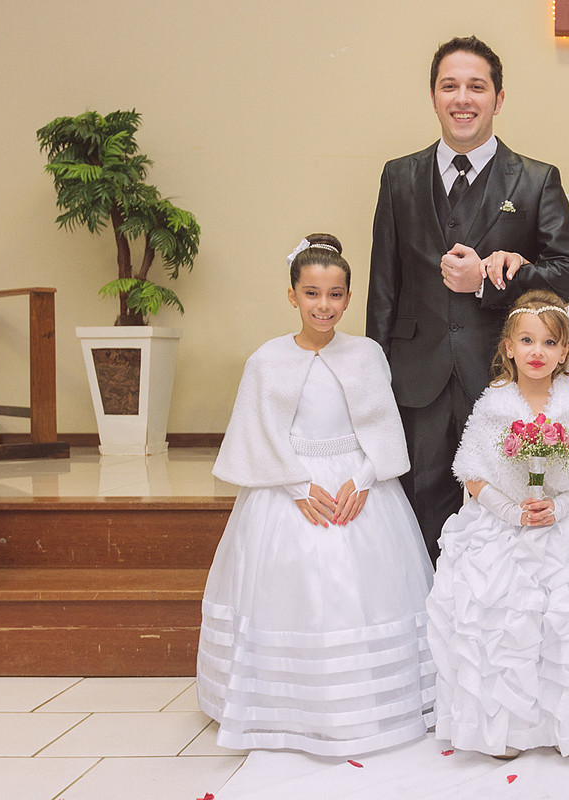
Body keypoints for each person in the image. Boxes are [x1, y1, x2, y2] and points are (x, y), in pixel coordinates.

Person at [198, 234, 436, 756]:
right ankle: (284, 706)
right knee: (294, 587)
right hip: (291, 484)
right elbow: (258, 433)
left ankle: (374, 697)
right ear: (291, 296)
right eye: (311, 293)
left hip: (357, 482)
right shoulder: (267, 359)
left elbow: (384, 425)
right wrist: (297, 486)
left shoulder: (368, 353)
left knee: (365, 588)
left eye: (334, 295)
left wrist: (367, 477)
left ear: (349, 298)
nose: (323, 305)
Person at [367, 36, 569, 565]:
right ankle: (427, 634)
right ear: (433, 96)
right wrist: (373, 383)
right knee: (420, 509)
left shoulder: (536, 180)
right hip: (416, 378)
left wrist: (492, 281)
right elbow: (383, 289)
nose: (462, 98)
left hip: (500, 376)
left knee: (500, 509)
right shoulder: (399, 177)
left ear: (499, 98)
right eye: (450, 86)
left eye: (476, 86)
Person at [425, 289, 569, 759]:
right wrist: (511, 513)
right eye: (527, 341)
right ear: (508, 346)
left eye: (549, 343)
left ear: (564, 351)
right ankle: (507, 728)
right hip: (503, 525)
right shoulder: (494, 404)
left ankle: (565, 723)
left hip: (566, 523)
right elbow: (472, 473)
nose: (537, 352)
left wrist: (561, 508)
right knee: (506, 620)